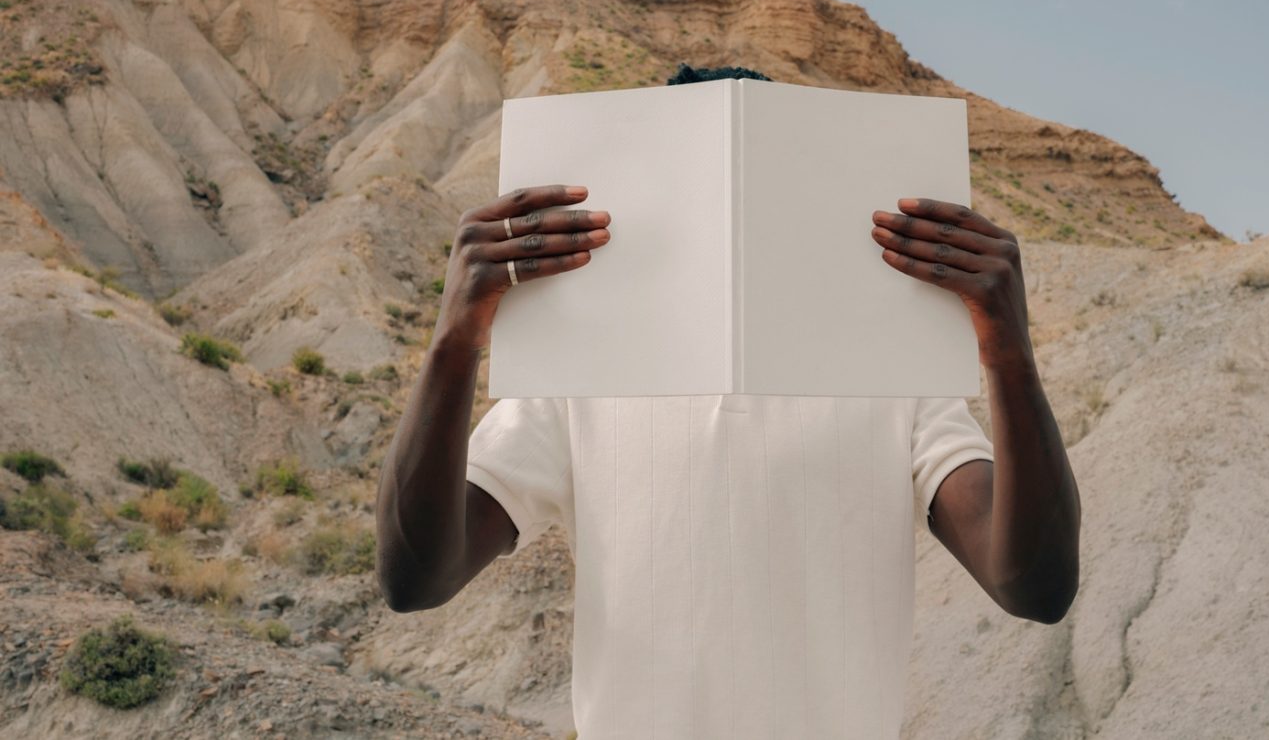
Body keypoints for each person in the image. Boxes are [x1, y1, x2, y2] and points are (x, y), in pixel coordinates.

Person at [376, 179, 1081, 738]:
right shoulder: (580, 382)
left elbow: (1033, 586)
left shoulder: (892, 382)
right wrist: (454, 344)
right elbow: (416, 578)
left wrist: (1007, 354)